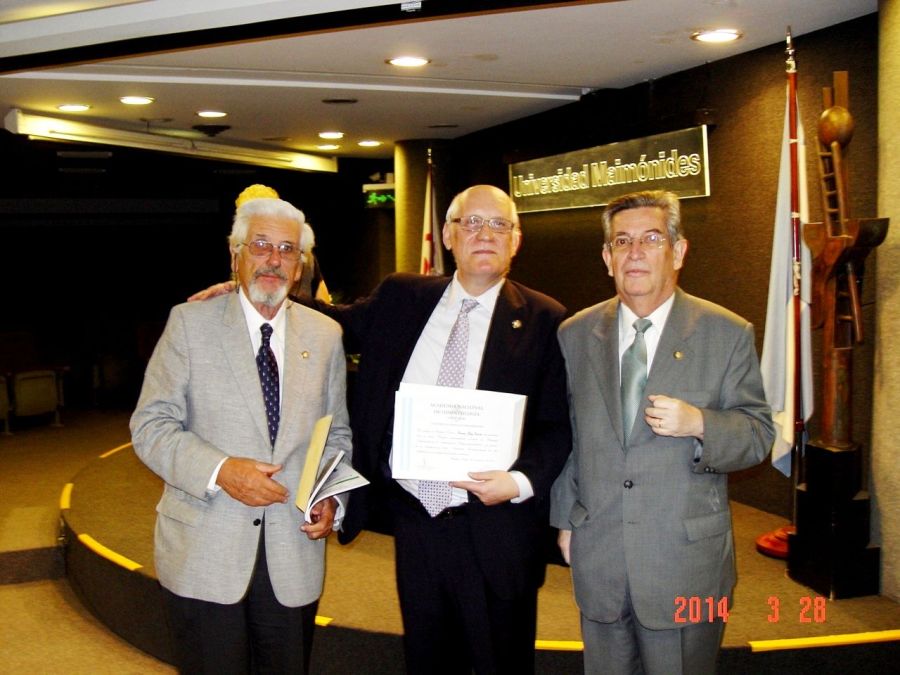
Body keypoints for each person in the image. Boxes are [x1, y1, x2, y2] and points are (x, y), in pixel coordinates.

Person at [194, 184, 571, 673]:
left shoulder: (546, 320)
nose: (484, 234)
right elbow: (334, 321)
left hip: (496, 528)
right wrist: (249, 292)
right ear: (448, 236)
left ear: (516, 240)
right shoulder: (404, 296)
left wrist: (517, 483)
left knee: (501, 663)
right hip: (416, 527)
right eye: (471, 223)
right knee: (426, 660)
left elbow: (557, 427)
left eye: (498, 224)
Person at [550, 189, 774, 675]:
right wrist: (566, 517)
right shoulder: (574, 334)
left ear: (678, 250)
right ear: (607, 257)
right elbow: (568, 437)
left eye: (651, 239)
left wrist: (700, 424)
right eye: (622, 241)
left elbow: (758, 434)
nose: (636, 253)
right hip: (600, 554)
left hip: (685, 563)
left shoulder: (727, 332)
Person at [131, 195, 352, 674]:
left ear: (299, 268)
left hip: (292, 554)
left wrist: (332, 498)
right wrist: (221, 470)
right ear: (236, 256)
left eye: (287, 250)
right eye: (261, 245)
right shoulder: (189, 324)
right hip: (205, 551)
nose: (273, 259)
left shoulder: (326, 334)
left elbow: (335, 435)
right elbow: (150, 426)